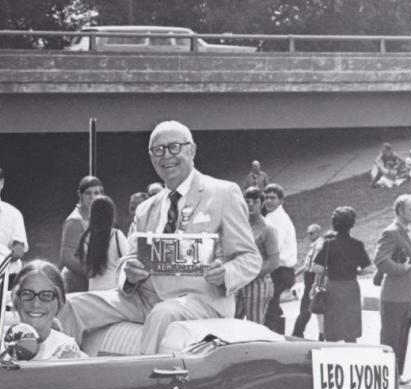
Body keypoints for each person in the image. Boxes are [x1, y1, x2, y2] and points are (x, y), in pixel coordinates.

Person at [59, 120, 261, 355]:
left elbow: (250, 258)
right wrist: (129, 274)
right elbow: (128, 259)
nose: (166, 156)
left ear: (191, 150)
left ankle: (144, 387)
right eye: (158, 150)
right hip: (143, 298)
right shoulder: (146, 208)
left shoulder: (223, 193)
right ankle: (64, 377)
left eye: (174, 147)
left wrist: (225, 274)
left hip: (200, 300)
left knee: (163, 314)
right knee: (71, 305)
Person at [0, 260, 85, 360]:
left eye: (46, 295)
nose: (36, 304)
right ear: (15, 300)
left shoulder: (67, 349)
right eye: (27, 294)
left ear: (60, 302)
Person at [374, 194, 411, 384]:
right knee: (391, 339)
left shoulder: (407, 231)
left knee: (403, 337)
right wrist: (401, 269)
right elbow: (380, 260)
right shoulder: (391, 232)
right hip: (394, 296)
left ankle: (397, 374)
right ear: (400, 211)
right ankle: (386, 378)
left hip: (408, 296)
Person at [313, 207, 371, 342]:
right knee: (350, 331)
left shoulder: (328, 245)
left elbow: (317, 267)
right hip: (351, 287)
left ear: (334, 224)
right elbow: (367, 268)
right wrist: (354, 271)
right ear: (352, 224)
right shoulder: (357, 244)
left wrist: (330, 270)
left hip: (333, 288)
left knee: (333, 331)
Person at [236, 186, 279, 324]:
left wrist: (252, 274)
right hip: (238, 282)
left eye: (255, 201)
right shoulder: (239, 225)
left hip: (258, 283)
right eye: (247, 201)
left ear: (261, 204)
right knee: (231, 322)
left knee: (254, 326)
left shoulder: (268, 229)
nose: (250, 205)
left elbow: (273, 262)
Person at [262, 183, 297, 334]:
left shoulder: (280, 219)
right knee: (271, 305)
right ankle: (277, 333)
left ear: (281, 200)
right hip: (277, 269)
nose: (269, 201)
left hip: (281, 270)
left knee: (269, 304)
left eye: (273, 198)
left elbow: (274, 246)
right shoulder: (271, 217)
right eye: (266, 198)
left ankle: (276, 337)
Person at [59, 175, 104, 293]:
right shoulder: (75, 221)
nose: (92, 197)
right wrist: (91, 274)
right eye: (88, 193)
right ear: (80, 195)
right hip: (75, 283)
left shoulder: (97, 217)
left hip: (91, 283)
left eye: (96, 193)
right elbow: (67, 258)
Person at [76, 195, 129, 291]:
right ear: (111, 214)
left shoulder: (85, 238)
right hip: (114, 292)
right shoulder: (116, 235)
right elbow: (129, 261)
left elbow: (84, 265)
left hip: (93, 291)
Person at [292, 223, 324, 338]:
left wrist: (315, 283)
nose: (309, 236)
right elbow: (307, 265)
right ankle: (299, 332)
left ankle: (298, 333)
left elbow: (317, 266)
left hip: (312, 279)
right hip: (308, 279)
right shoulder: (313, 245)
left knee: (309, 309)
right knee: (308, 309)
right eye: (308, 233)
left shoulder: (319, 245)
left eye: (311, 233)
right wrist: (296, 274)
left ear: (317, 232)